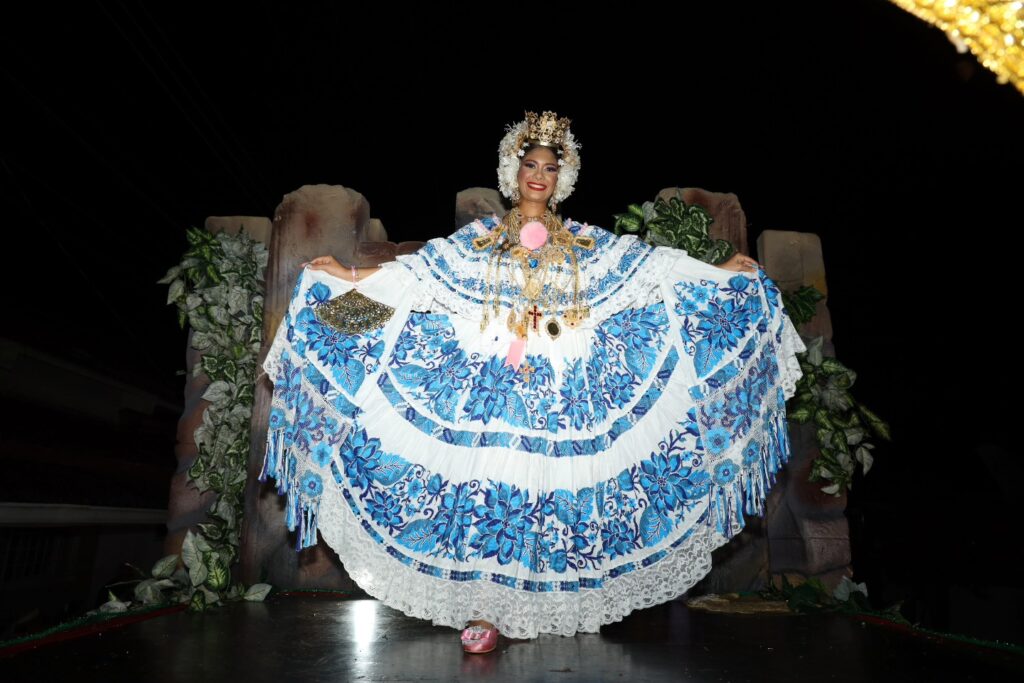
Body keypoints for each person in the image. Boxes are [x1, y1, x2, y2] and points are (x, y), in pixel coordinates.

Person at [260, 111, 807, 653]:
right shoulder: (480, 240)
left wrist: (719, 274)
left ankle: (556, 606)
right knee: (491, 491)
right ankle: (485, 609)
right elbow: (414, 277)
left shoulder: (584, 242)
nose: (539, 175)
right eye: (530, 165)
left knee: (557, 491)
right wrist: (348, 276)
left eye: (550, 166)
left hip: (563, 389)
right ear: (513, 171)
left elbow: (653, 269)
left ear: (561, 177)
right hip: (497, 385)